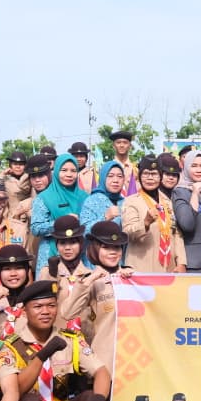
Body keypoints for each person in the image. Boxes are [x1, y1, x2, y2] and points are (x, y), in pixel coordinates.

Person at [59, 222, 133, 361]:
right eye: (105, 247)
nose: (113, 252)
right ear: (94, 249)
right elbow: (67, 312)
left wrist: (136, 280)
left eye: (116, 247)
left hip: (136, 355)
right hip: (106, 357)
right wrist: (89, 280)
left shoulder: (131, 275)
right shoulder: (90, 282)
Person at [123, 156, 188, 273]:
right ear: (139, 177)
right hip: (141, 267)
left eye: (154, 174)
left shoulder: (168, 202)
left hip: (168, 268)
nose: (150, 178)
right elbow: (127, 233)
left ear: (160, 177)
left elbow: (177, 234)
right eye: (146, 173)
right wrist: (145, 223)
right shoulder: (131, 201)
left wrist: (181, 262)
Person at [29, 154, 87, 275]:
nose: (69, 175)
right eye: (64, 170)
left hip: (81, 253)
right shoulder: (44, 198)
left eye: (73, 171)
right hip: (51, 253)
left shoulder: (85, 197)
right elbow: (36, 228)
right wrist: (61, 223)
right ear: (55, 172)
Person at [172, 149, 201, 272]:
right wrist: (195, 193)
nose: (199, 170)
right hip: (191, 263)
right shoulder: (180, 191)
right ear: (186, 167)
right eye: (194, 166)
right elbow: (187, 224)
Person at [0, 244, 35, 339]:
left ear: (27, 270)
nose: (13, 274)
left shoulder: (35, 300)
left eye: (19, 268)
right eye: (7, 269)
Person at [16, 154, 52, 259]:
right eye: (33, 176)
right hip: (33, 254)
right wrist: (18, 215)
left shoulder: (59, 199)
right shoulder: (25, 204)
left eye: (41, 175)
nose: (37, 180)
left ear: (49, 174)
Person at [79, 160, 126, 232]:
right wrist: (105, 217)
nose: (116, 180)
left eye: (120, 176)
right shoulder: (92, 201)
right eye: (110, 176)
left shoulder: (125, 202)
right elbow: (83, 231)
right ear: (103, 178)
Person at [108, 129, 138, 195]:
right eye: (118, 142)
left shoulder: (136, 169)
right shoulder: (107, 168)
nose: (121, 145)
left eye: (125, 142)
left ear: (130, 146)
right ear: (113, 146)